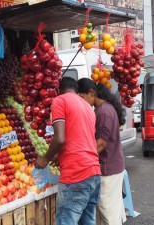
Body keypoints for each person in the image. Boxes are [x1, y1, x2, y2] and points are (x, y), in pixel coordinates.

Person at [35, 77, 101, 225]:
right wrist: (58, 156)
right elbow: (80, 141)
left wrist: (45, 158)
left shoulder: (60, 100)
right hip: (94, 173)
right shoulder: (88, 108)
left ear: (59, 89)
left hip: (76, 175)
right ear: (76, 90)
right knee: (88, 222)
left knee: (66, 221)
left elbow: (60, 139)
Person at [77, 78, 127, 225]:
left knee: (107, 211)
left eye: (81, 97)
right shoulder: (103, 108)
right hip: (114, 164)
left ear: (91, 93)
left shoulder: (103, 112)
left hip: (108, 168)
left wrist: (83, 161)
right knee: (112, 210)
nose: (81, 102)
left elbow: (101, 143)